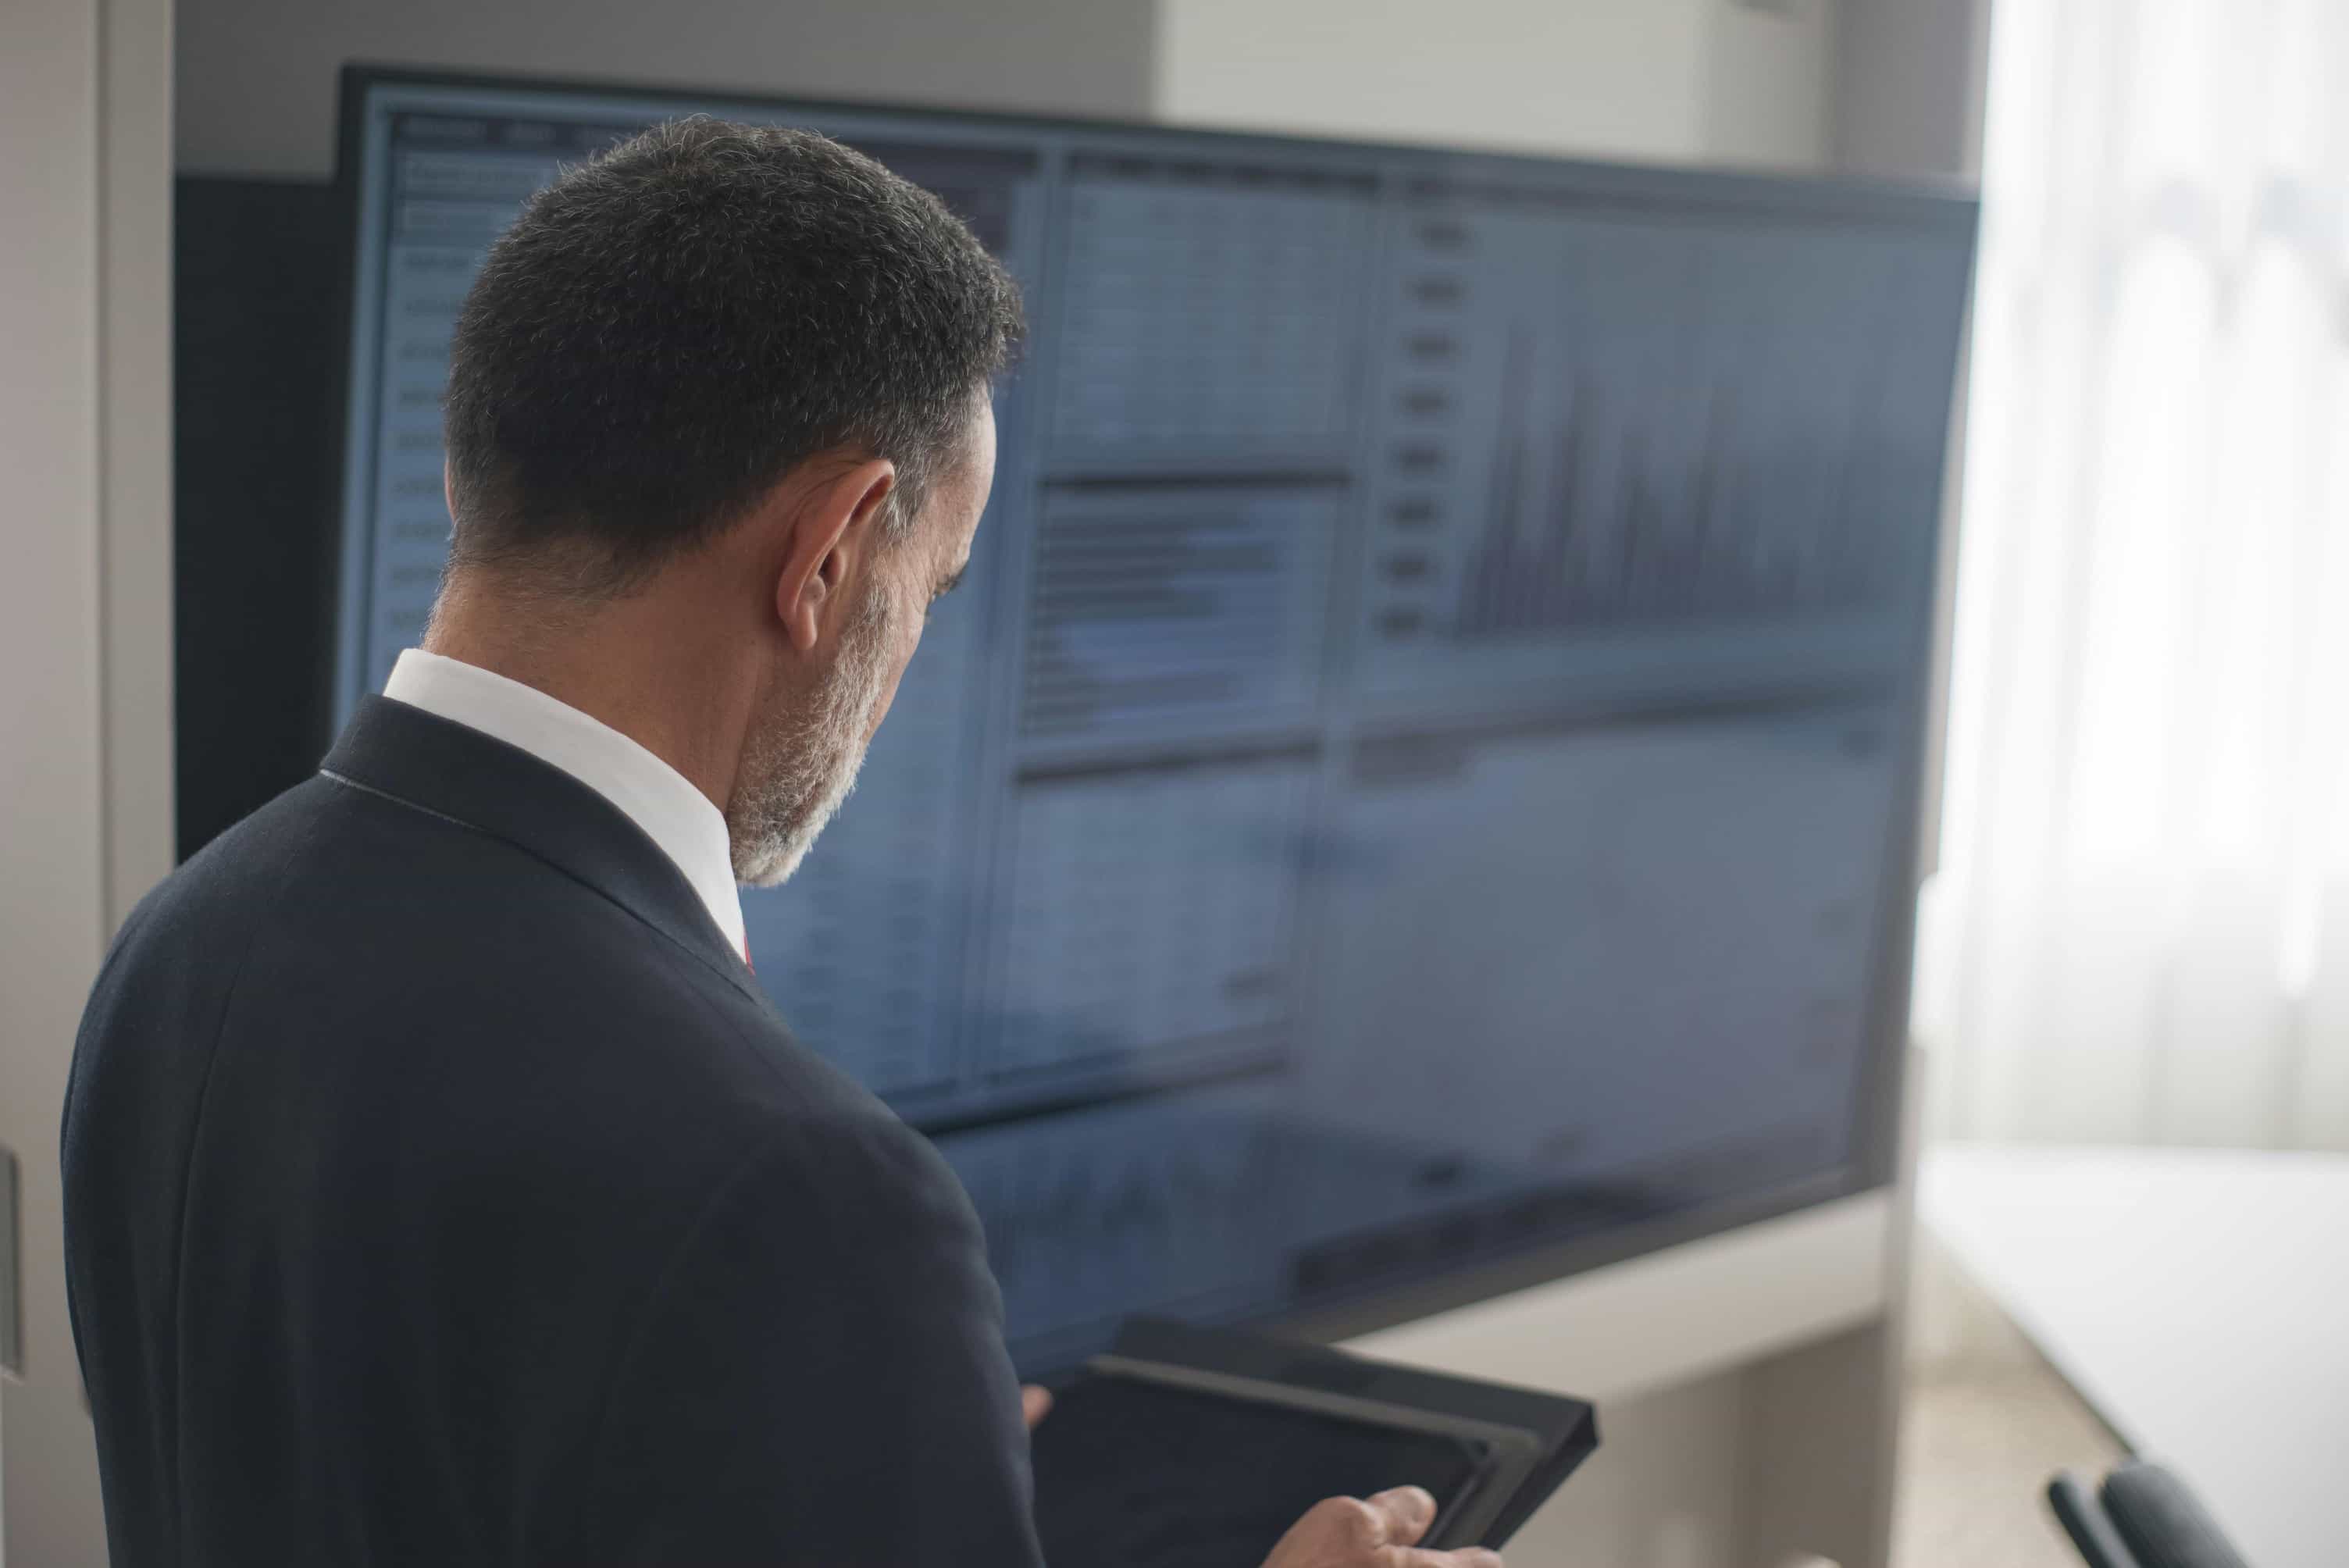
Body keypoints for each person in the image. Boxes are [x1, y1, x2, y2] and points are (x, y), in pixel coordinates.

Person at [61, 119, 1503, 1568]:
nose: (912, 655)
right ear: (829, 554)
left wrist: (858, 1439)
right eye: (931, 586)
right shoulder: (808, 1202)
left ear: (467, 481)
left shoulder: (182, 943)